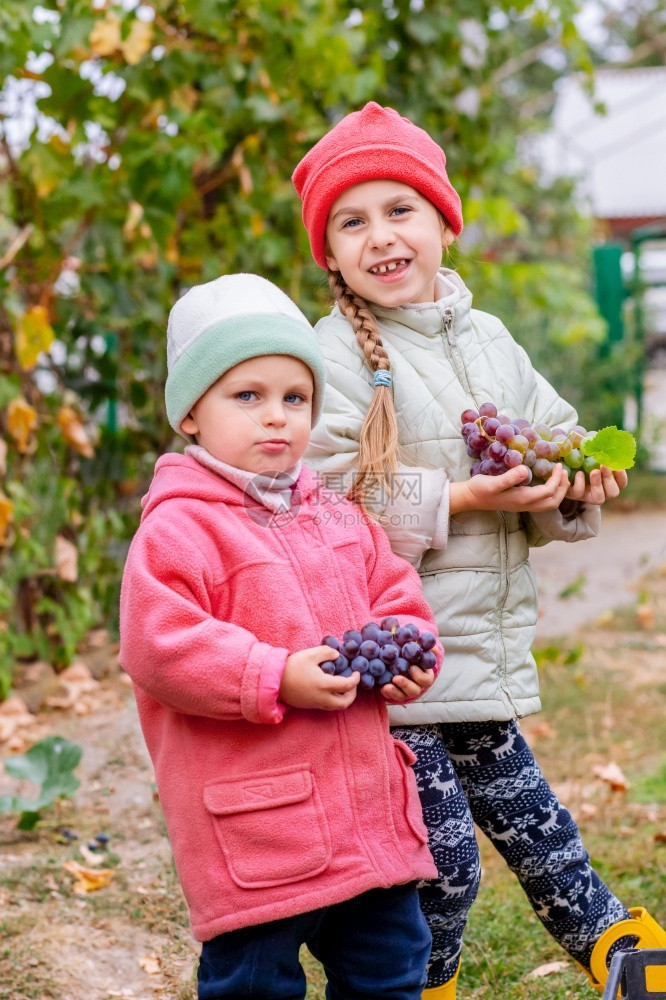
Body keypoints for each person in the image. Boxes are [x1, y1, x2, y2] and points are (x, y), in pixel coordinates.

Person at [292, 102, 666, 999]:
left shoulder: (488, 337)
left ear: (443, 223)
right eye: (354, 220)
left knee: (539, 826)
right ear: (331, 252)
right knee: (447, 864)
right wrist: (459, 496)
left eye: (400, 210)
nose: (381, 235)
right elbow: (322, 503)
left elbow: (551, 431)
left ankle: (624, 951)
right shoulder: (332, 354)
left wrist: (574, 482)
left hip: (480, 651)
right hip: (399, 665)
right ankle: (427, 982)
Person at [119, 272, 447, 1000]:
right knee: (256, 984)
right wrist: (273, 674)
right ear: (190, 416)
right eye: (248, 396)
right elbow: (159, 644)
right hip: (262, 835)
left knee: (391, 970)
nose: (277, 418)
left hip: (367, 824)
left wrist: (407, 649)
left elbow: (396, 593)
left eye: (294, 398)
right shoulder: (178, 529)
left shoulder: (334, 513)